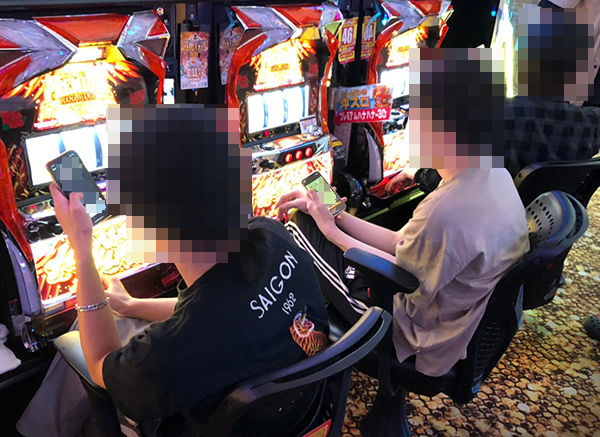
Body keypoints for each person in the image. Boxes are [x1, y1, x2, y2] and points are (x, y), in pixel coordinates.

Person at [17, 105, 329, 437]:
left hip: (220, 424)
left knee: (82, 340)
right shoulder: (271, 234)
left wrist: (81, 248)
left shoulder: (171, 350)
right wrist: (131, 305)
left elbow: (99, 363)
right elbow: (229, 311)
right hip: (298, 412)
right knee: (123, 320)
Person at [276, 48, 530, 378]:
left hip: (410, 331)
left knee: (298, 227)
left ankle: (293, 352)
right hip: (450, 317)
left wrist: (331, 231)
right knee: (316, 220)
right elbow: (403, 245)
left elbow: (398, 273)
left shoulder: (447, 210)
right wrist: (338, 215)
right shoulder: (492, 175)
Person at [386, 4, 600, 194]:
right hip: (547, 204)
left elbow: (454, 180)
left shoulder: (493, 130)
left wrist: (418, 172)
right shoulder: (585, 124)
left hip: (489, 200)